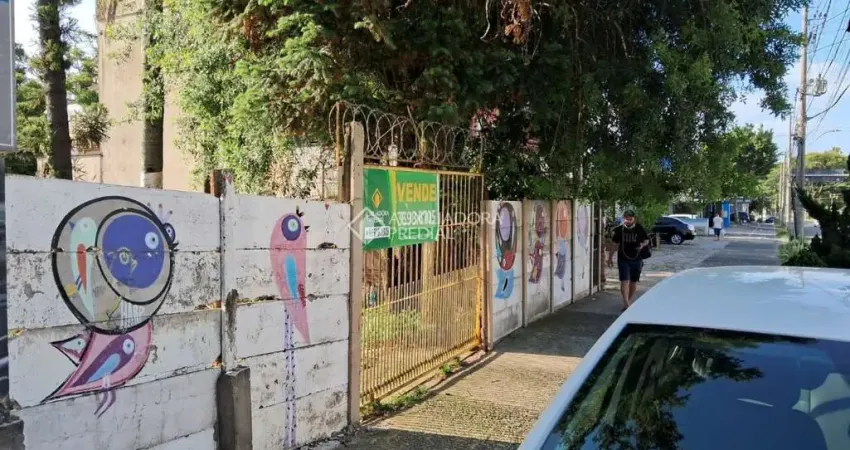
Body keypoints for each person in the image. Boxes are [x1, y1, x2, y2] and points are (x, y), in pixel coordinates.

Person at [607, 210, 649, 310]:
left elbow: (646, 240)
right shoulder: (619, 230)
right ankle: (626, 303)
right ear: (624, 218)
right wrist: (610, 258)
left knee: (633, 281)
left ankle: (629, 301)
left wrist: (642, 245)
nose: (629, 220)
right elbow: (614, 244)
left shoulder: (639, 228)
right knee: (624, 280)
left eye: (630, 218)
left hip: (637, 258)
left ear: (634, 218)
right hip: (623, 258)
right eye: (627, 218)